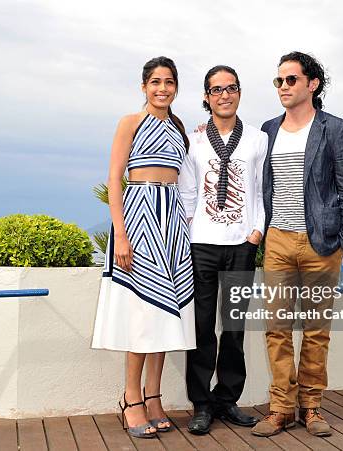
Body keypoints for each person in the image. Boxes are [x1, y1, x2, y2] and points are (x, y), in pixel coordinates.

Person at [251, 51, 343, 438]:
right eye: (278, 81)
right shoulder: (267, 129)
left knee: (316, 329)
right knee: (276, 327)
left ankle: (311, 407)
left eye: (290, 80)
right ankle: (281, 408)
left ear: (312, 84)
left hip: (322, 243)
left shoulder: (335, 128)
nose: (283, 87)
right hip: (278, 239)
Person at [91, 56, 196, 439]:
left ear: (176, 87)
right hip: (138, 215)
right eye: (155, 81)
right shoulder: (130, 123)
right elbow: (114, 180)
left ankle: (154, 397)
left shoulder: (180, 127)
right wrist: (120, 233)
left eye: (169, 82)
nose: (162, 88)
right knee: (142, 310)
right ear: (143, 86)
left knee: (166, 312)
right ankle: (131, 399)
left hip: (172, 220)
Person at [179, 65, 267, 435]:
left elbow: (262, 189)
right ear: (206, 97)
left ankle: (227, 399)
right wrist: (187, 236)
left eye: (231, 88)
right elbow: (187, 192)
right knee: (201, 327)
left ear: (240, 92)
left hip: (242, 246)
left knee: (233, 328)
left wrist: (257, 231)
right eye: (216, 90)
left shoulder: (258, 139)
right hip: (203, 244)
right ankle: (201, 404)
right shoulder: (195, 140)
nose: (224, 95)